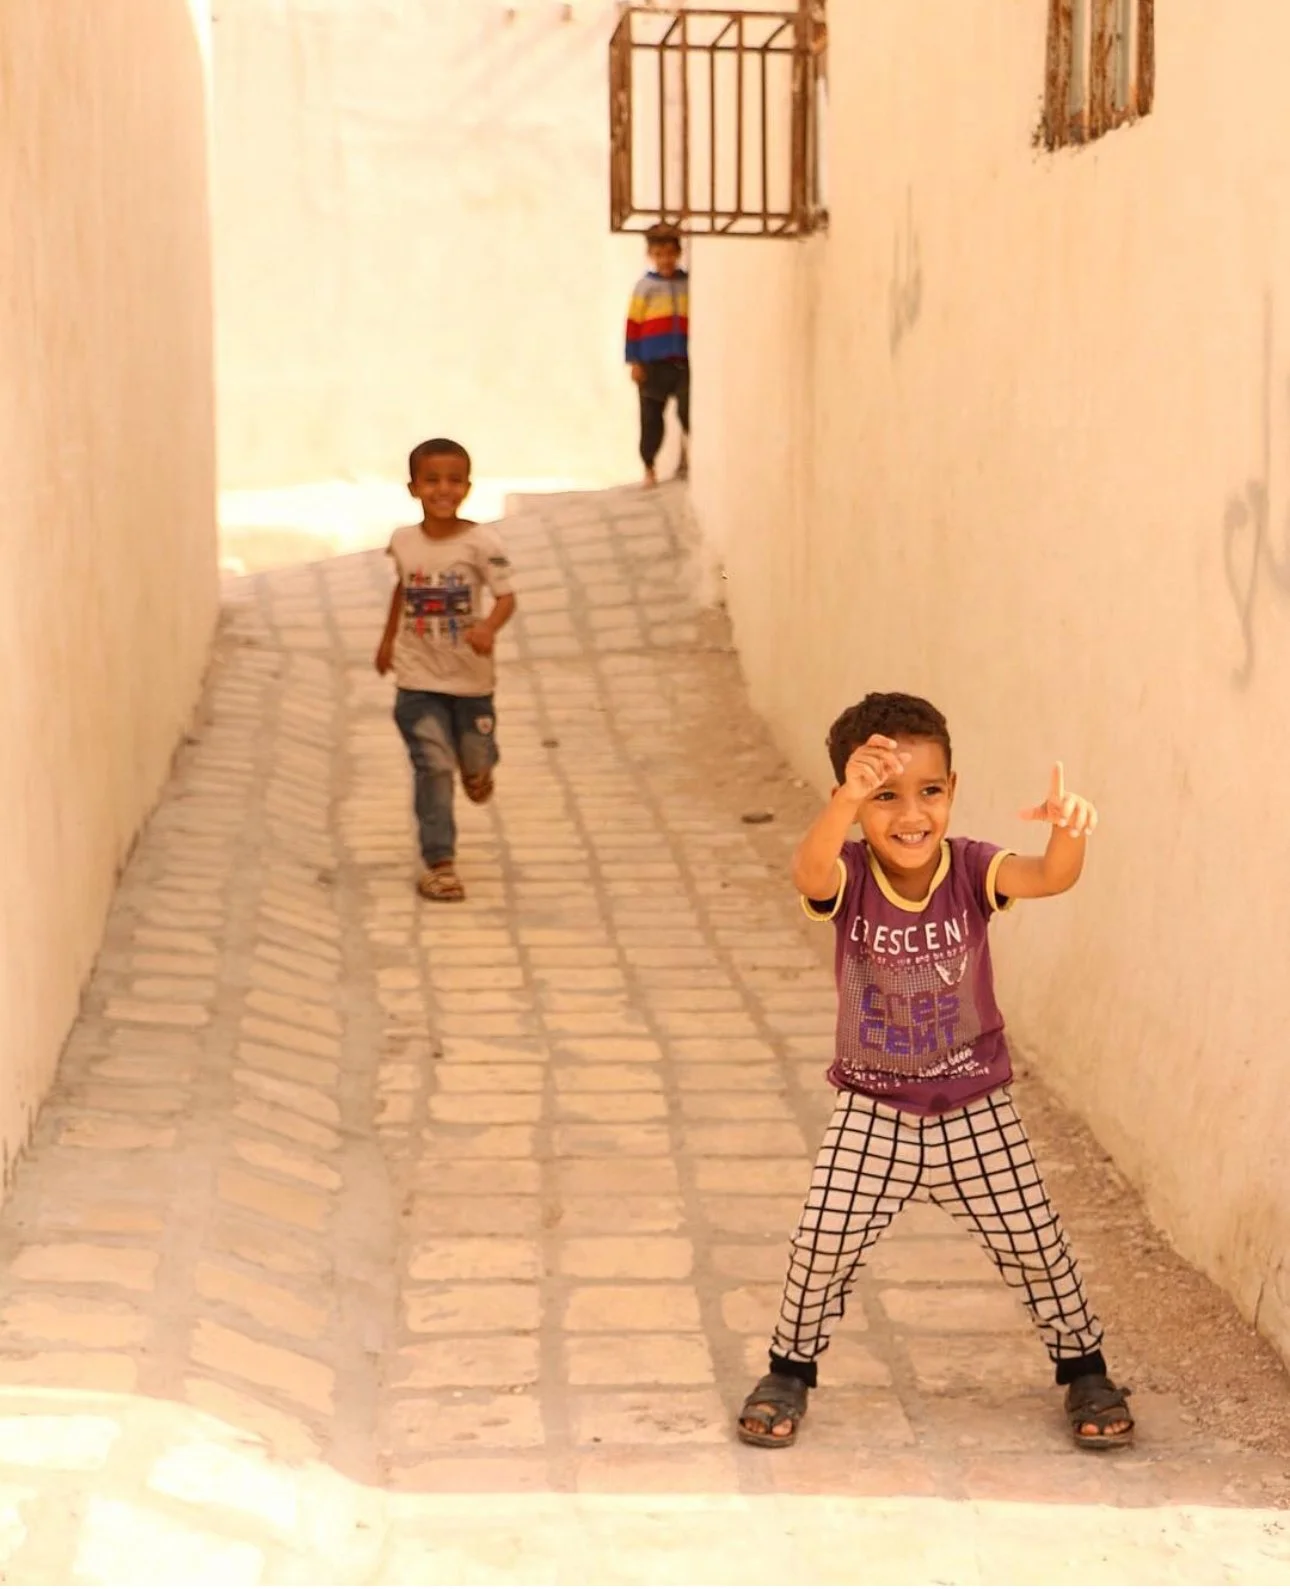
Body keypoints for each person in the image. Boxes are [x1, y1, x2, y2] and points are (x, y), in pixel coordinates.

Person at [737, 692, 1134, 1452]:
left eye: (928, 791)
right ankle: (790, 1369)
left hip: (975, 1105)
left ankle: (1084, 1366)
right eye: (882, 796)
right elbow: (805, 870)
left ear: (952, 790)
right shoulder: (848, 874)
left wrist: (1069, 831)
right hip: (874, 1109)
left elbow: (1050, 876)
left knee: (1036, 1242)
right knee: (822, 1241)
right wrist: (844, 805)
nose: (909, 813)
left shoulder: (972, 869)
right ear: (851, 803)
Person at [374, 438, 516, 903]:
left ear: (468, 487)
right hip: (417, 679)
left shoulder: (482, 543)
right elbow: (404, 589)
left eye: (454, 481)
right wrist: (388, 639)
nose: (443, 490)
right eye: (432, 480)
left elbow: (506, 597)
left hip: (471, 681)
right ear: (413, 487)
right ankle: (440, 863)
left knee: (472, 760)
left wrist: (489, 629)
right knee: (433, 766)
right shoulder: (403, 540)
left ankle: (480, 768)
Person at [625, 221, 689, 487]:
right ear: (651, 255)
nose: (666, 260)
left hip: (681, 360)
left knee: (688, 410)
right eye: (659, 254)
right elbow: (633, 325)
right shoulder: (645, 287)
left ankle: (691, 459)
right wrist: (635, 361)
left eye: (670, 254)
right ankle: (649, 466)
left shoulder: (687, 283)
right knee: (651, 418)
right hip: (652, 362)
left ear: (678, 253)